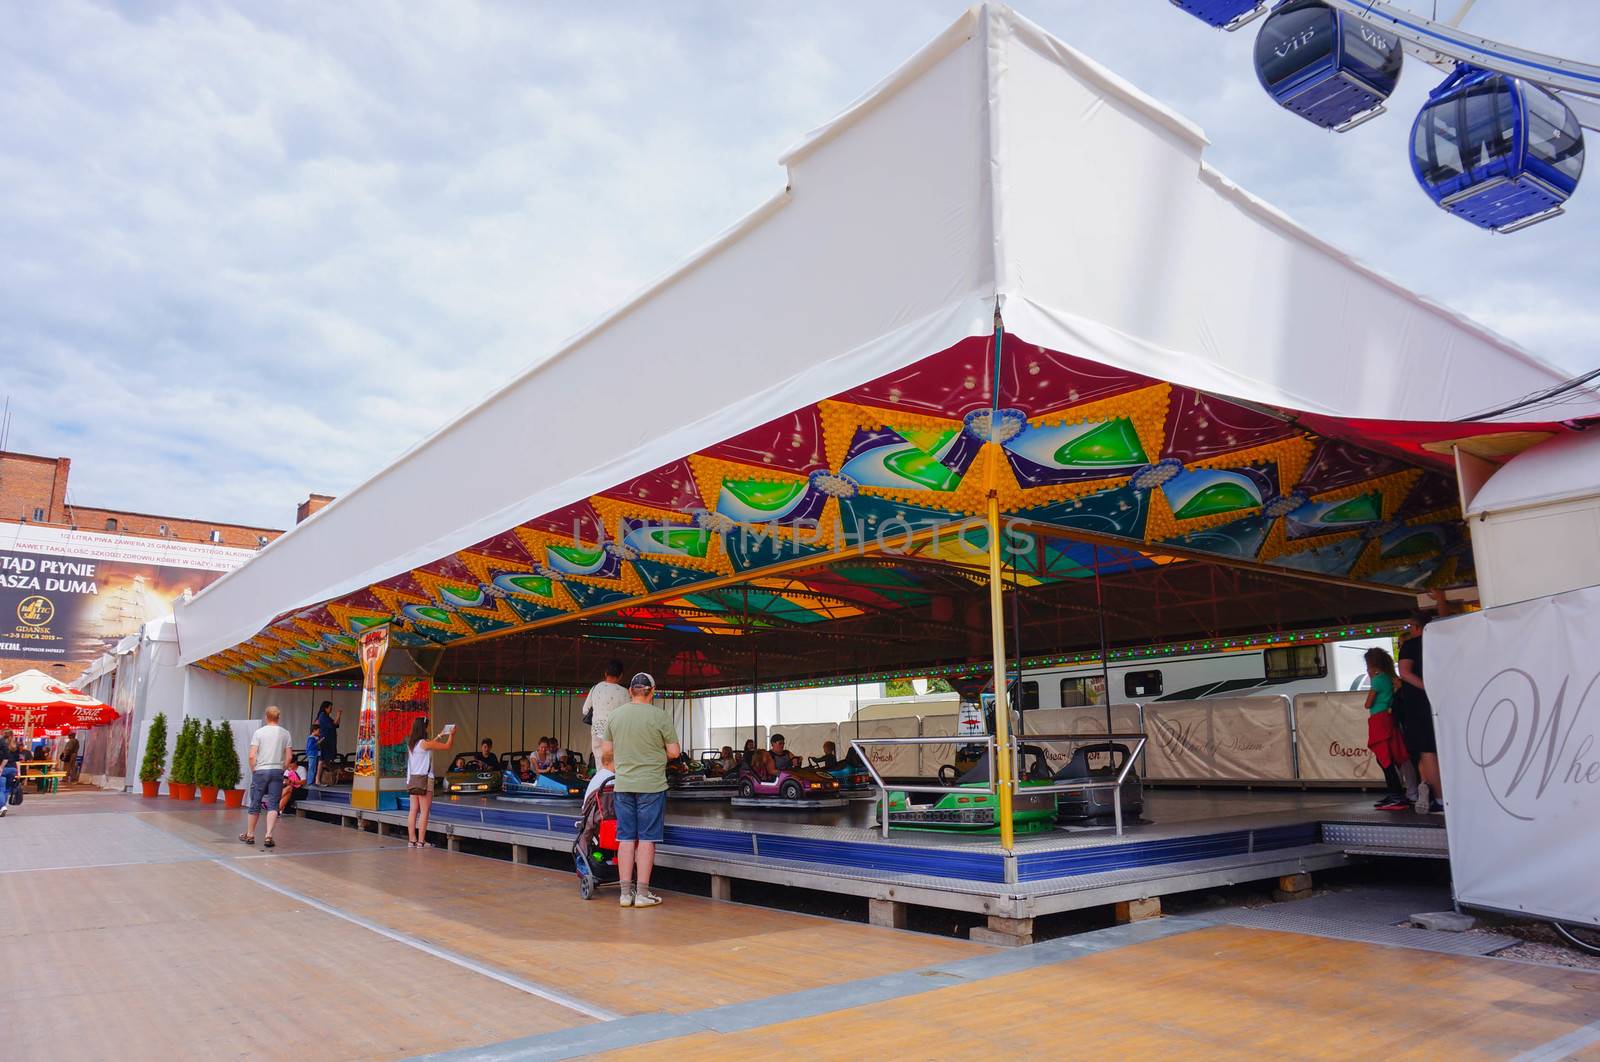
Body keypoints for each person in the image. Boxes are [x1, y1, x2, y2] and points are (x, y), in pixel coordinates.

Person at [601, 672, 679, 909]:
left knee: (625, 838)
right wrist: (654, 757)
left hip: (623, 786)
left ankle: (625, 894)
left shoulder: (615, 716)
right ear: (652, 691)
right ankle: (643, 894)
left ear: (630, 691)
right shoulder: (660, 716)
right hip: (651, 786)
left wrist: (622, 767)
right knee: (646, 839)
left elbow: (606, 755)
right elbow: (674, 752)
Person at [1396, 610, 1445, 814]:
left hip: (1419, 702)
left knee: (1426, 751)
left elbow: (1405, 672)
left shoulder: (1411, 645)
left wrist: (1426, 687)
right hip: (1442, 699)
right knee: (1438, 747)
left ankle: (1439, 798)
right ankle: (1430, 788)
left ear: (1416, 627)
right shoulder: (1441, 644)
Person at [1364, 648, 1411, 812]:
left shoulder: (1377, 680)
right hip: (1388, 718)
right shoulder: (1391, 678)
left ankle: (1396, 795)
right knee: (1388, 756)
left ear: (1373, 665)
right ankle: (1395, 793)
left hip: (1379, 719)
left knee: (1384, 758)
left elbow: (1368, 704)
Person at [240, 706, 292, 849]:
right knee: (273, 804)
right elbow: (289, 756)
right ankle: (268, 835)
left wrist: (254, 769)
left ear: (266, 717)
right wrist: (283, 768)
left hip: (261, 770)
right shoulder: (285, 733)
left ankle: (250, 834)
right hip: (277, 770)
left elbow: (252, 755)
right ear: (278, 718)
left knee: (255, 802)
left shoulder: (259, 733)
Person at [405, 717, 455, 848]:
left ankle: (412, 840)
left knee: (413, 810)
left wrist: (439, 736)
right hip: (425, 780)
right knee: (425, 811)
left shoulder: (412, 744)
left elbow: (428, 745)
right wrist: (451, 734)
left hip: (413, 779)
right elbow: (447, 746)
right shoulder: (424, 743)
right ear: (424, 728)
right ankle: (421, 841)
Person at [582, 659, 630, 756]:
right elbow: (628, 715)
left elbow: (585, 710)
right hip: (615, 733)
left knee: (600, 764)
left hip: (597, 731)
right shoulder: (624, 692)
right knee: (614, 764)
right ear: (621, 675)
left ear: (605, 673)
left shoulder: (595, 688)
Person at [314, 701, 341, 783]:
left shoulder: (326, 716)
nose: (331, 709)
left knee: (326, 759)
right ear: (326, 708)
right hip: (325, 740)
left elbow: (336, 724)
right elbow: (332, 725)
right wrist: (338, 715)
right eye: (330, 708)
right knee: (322, 760)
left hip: (329, 740)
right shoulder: (322, 716)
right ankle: (317, 779)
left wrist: (339, 716)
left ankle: (325, 777)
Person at [0, 731, 18, 817]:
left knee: (1, 789)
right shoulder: (15, 746)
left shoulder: (2, 744)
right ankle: (3, 806)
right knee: (7, 789)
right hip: (13, 769)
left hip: (3, 769)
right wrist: (18, 772)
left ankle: (2, 806)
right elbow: (18, 761)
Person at [304, 725, 322, 790]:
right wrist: (318, 743)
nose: (319, 732)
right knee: (311, 768)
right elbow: (310, 747)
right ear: (314, 730)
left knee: (313, 769)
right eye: (318, 731)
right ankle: (310, 782)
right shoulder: (311, 738)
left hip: (314, 755)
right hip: (312, 755)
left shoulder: (315, 738)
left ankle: (312, 782)